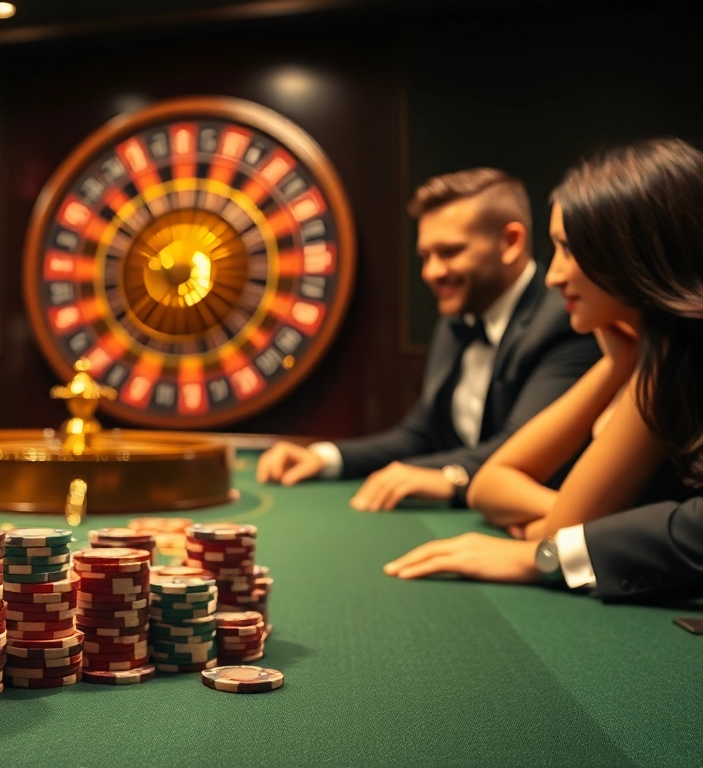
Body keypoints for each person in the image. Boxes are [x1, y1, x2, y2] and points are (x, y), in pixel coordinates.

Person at [385, 138, 703, 600]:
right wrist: (616, 365)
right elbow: (492, 484)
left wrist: (558, 551)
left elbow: (560, 530)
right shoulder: (657, 359)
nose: (553, 276)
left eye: (569, 249)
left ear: (636, 255)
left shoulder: (671, 360)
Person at [257, 169, 600, 511]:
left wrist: (448, 476)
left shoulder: (566, 321)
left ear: (511, 242)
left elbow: (521, 449)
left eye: (450, 252)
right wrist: (326, 457)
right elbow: (420, 433)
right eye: (425, 256)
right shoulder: (457, 317)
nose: (431, 272)